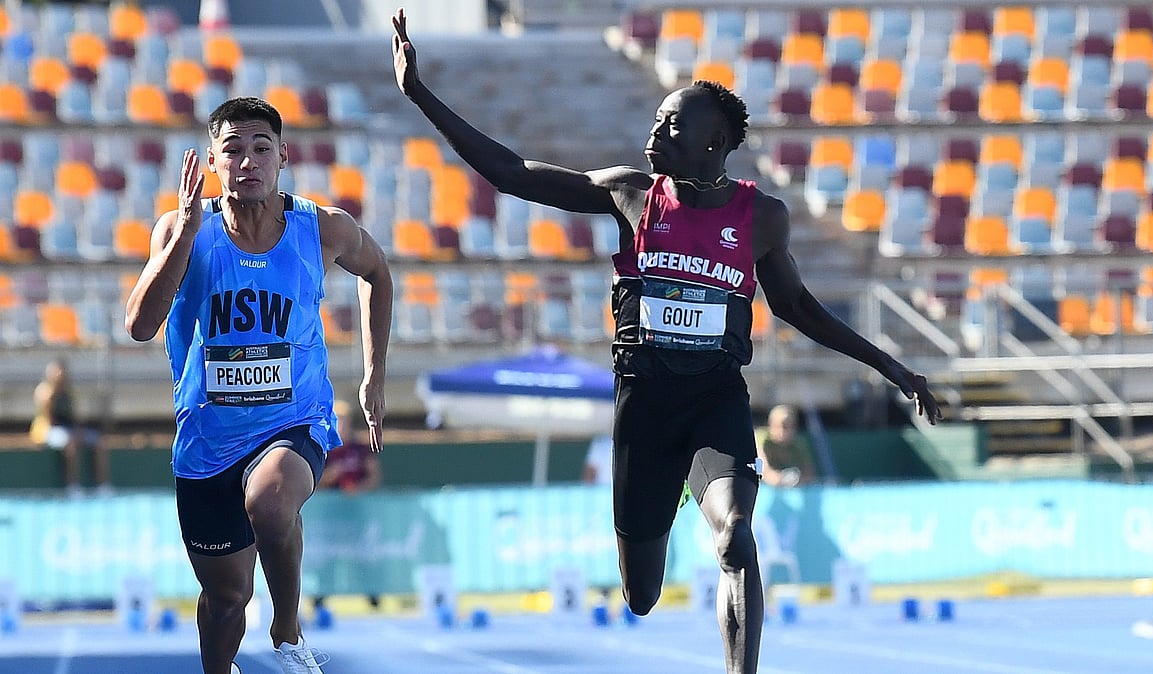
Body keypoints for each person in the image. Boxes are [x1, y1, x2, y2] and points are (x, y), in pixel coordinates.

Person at [390, 9, 941, 673]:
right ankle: (668, 496)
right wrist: (419, 92)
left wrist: (893, 368)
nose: (655, 132)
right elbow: (512, 173)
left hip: (715, 400)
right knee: (642, 594)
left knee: (737, 540)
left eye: (672, 124)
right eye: (655, 119)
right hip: (644, 406)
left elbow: (797, 307)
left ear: (714, 142)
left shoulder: (761, 217)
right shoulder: (631, 195)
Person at [124, 96, 392, 674]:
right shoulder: (179, 230)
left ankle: (289, 635)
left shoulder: (322, 228)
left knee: (271, 500)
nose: (249, 161)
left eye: (261, 148)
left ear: (283, 157)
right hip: (207, 440)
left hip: (293, 419)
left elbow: (377, 272)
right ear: (213, 163)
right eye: (233, 150)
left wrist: (373, 372)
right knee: (225, 601)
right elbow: (140, 326)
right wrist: (186, 234)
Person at [314, 398, 383, 610]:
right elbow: (314, 482)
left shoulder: (359, 449)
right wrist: (329, 477)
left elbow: (373, 476)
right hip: (332, 513)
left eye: (343, 420)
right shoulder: (323, 449)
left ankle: (372, 594)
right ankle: (320, 596)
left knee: (362, 554)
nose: (340, 425)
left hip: (355, 511)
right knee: (329, 555)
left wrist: (358, 489)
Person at [30, 357, 111, 497]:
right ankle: (72, 486)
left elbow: (73, 416)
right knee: (70, 444)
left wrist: (78, 430)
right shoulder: (44, 392)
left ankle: (103, 485)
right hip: (47, 431)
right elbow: (49, 420)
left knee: (98, 441)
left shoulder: (68, 392)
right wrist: (72, 433)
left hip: (68, 429)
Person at [756, 404, 818, 488]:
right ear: (770, 424)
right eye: (777, 426)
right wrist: (778, 479)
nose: (782, 431)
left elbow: (809, 472)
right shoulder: (759, 438)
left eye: (787, 427)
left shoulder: (798, 443)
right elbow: (761, 469)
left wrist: (796, 480)